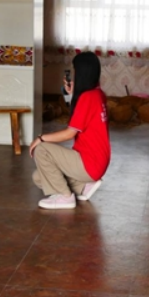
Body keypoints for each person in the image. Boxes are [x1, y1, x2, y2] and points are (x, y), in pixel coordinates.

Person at [30, 52, 110, 210]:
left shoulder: (87, 97)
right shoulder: (98, 94)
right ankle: (83, 187)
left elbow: (69, 133)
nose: (73, 74)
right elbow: (78, 117)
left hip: (89, 162)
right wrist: (72, 95)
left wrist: (41, 138)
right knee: (38, 177)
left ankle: (65, 197)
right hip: (97, 161)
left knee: (42, 150)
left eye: (75, 70)